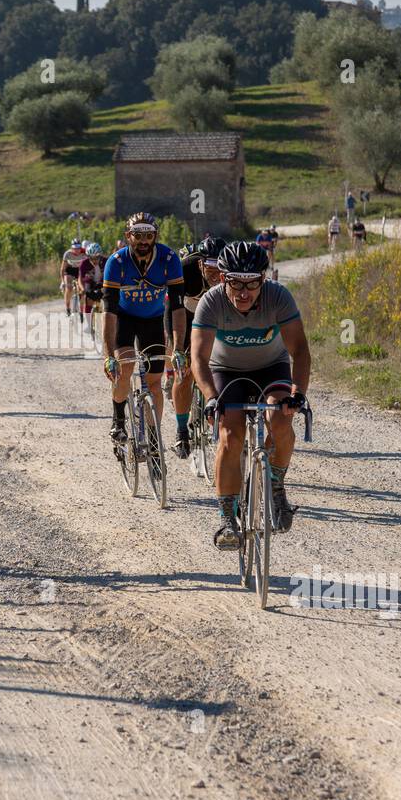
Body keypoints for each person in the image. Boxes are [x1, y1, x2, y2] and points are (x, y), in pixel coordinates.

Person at [190, 240, 311, 549]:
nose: (243, 292)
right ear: (221, 279)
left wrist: (297, 393)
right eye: (235, 283)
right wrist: (210, 397)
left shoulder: (279, 297)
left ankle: (275, 483)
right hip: (226, 371)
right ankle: (228, 519)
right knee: (230, 435)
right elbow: (199, 359)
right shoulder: (211, 302)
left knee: (280, 420)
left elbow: (299, 349)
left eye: (252, 283)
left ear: (263, 279)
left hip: (272, 367)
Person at [101, 212, 185, 446]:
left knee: (155, 383)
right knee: (124, 369)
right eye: (137, 235)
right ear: (128, 236)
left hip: (153, 321)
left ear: (155, 236)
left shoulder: (169, 259)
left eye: (148, 235)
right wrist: (108, 356)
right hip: (124, 319)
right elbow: (109, 311)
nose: (143, 241)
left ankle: (153, 437)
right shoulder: (116, 263)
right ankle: (118, 419)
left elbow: (177, 307)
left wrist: (177, 348)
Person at [166, 235, 226, 457]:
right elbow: (173, 311)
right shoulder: (185, 271)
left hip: (215, 320)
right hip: (186, 319)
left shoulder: (229, 274)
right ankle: (182, 430)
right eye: (209, 266)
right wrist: (177, 349)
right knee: (186, 372)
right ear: (200, 263)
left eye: (219, 266)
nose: (214, 273)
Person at [78, 241, 106, 334]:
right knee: (88, 299)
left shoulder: (106, 261)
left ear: (100, 256)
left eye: (97, 257)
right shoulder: (84, 264)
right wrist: (82, 289)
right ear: (88, 257)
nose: (94, 260)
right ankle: (89, 324)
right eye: (92, 258)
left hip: (103, 283)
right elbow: (80, 279)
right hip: (89, 283)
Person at [60, 237, 88, 316]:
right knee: (69, 288)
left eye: (78, 248)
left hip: (79, 271)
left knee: (82, 290)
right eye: (74, 248)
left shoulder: (84, 252)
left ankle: (81, 309)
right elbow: (62, 269)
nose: (77, 250)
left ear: (81, 247)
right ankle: (68, 308)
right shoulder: (67, 254)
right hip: (69, 271)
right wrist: (62, 281)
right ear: (71, 248)